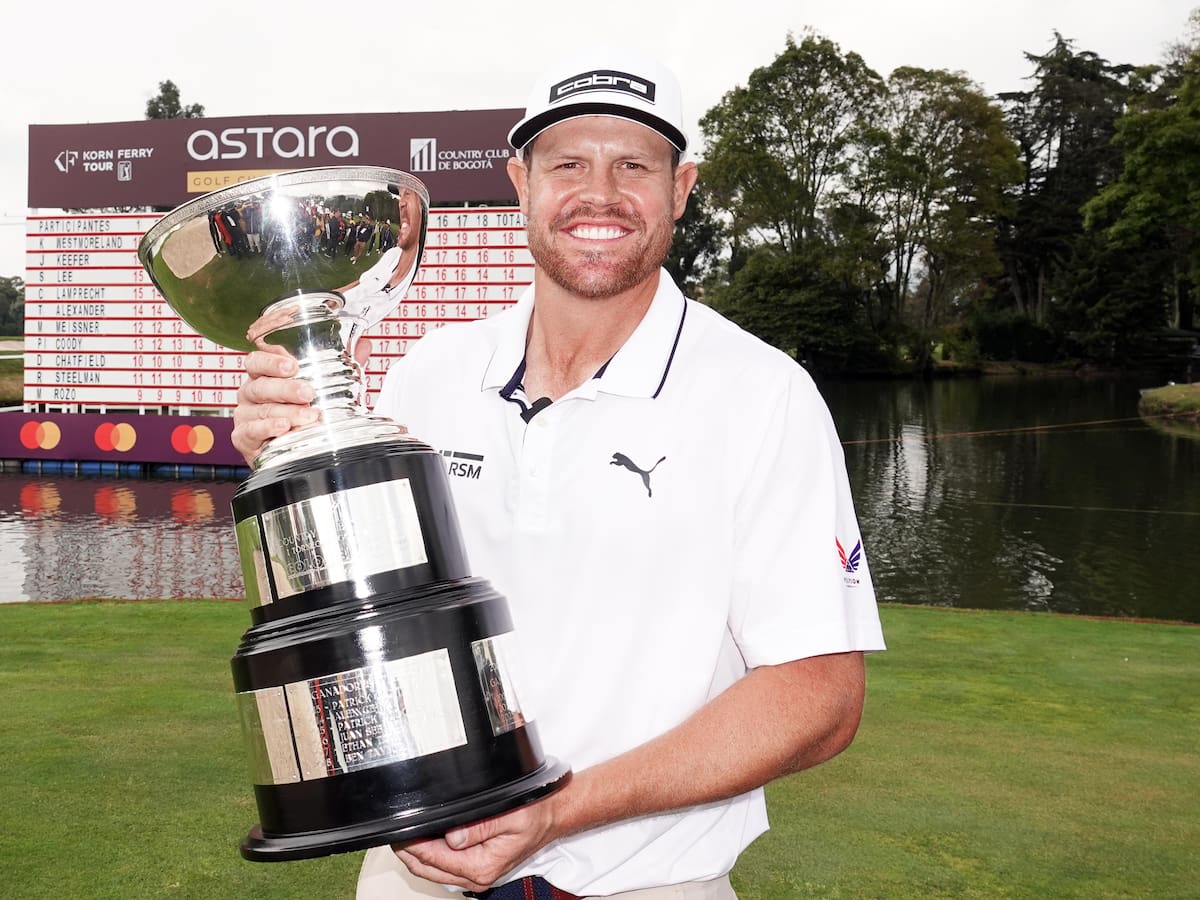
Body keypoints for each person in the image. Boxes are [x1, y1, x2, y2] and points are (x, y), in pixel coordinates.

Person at [233, 48, 885, 900]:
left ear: (682, 188)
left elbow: (819, 696)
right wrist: (288, 460)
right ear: (521, 181)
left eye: (634, 166)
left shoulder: (761, 394)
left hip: (646, 883)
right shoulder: (430, 373)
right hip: (415, 874)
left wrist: (556, 810)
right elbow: (353, 609)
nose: (600, 194)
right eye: (568, 163)